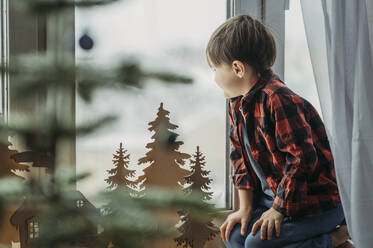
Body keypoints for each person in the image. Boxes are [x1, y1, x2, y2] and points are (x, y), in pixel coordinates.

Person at [205, 14, 354, 248]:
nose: (214, 77)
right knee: (233, 235)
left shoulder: (278, 100)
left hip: (314, 206)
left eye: (214, 68)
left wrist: (279, 210)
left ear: (237, 68)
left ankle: (333, 239)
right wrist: (245, 209)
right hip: (274, 201)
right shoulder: (237, 105)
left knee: (256, 245)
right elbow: (239, 160)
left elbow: (302, 159)